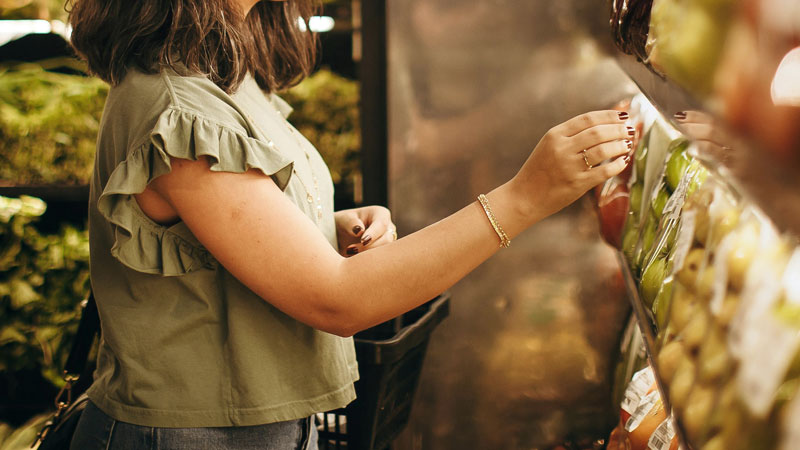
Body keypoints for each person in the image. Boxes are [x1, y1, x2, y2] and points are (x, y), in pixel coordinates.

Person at [67, 0, 634, 448]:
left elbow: (211, 232)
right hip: (190, 437)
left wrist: (320, 228)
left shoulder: (224, 75)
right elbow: (337, 301)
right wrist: (526, 197)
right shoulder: (178, 105)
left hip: (261, 424)